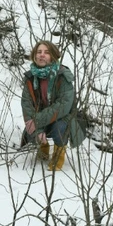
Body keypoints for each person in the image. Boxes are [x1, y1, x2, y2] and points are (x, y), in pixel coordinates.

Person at [20, 40, 84, 171]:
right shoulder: (30, 77)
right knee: (31, 130)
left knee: (59, 128)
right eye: (39, 52)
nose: (42, 55)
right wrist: (37, 129)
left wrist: (37, 121)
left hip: (62, 118)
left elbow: (63, 106)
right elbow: (27, 104)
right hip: (40, 117)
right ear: (34, 55)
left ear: (53, 56)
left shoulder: (62, 75)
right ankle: (43, 148)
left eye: (46, 52)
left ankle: (58, 155)